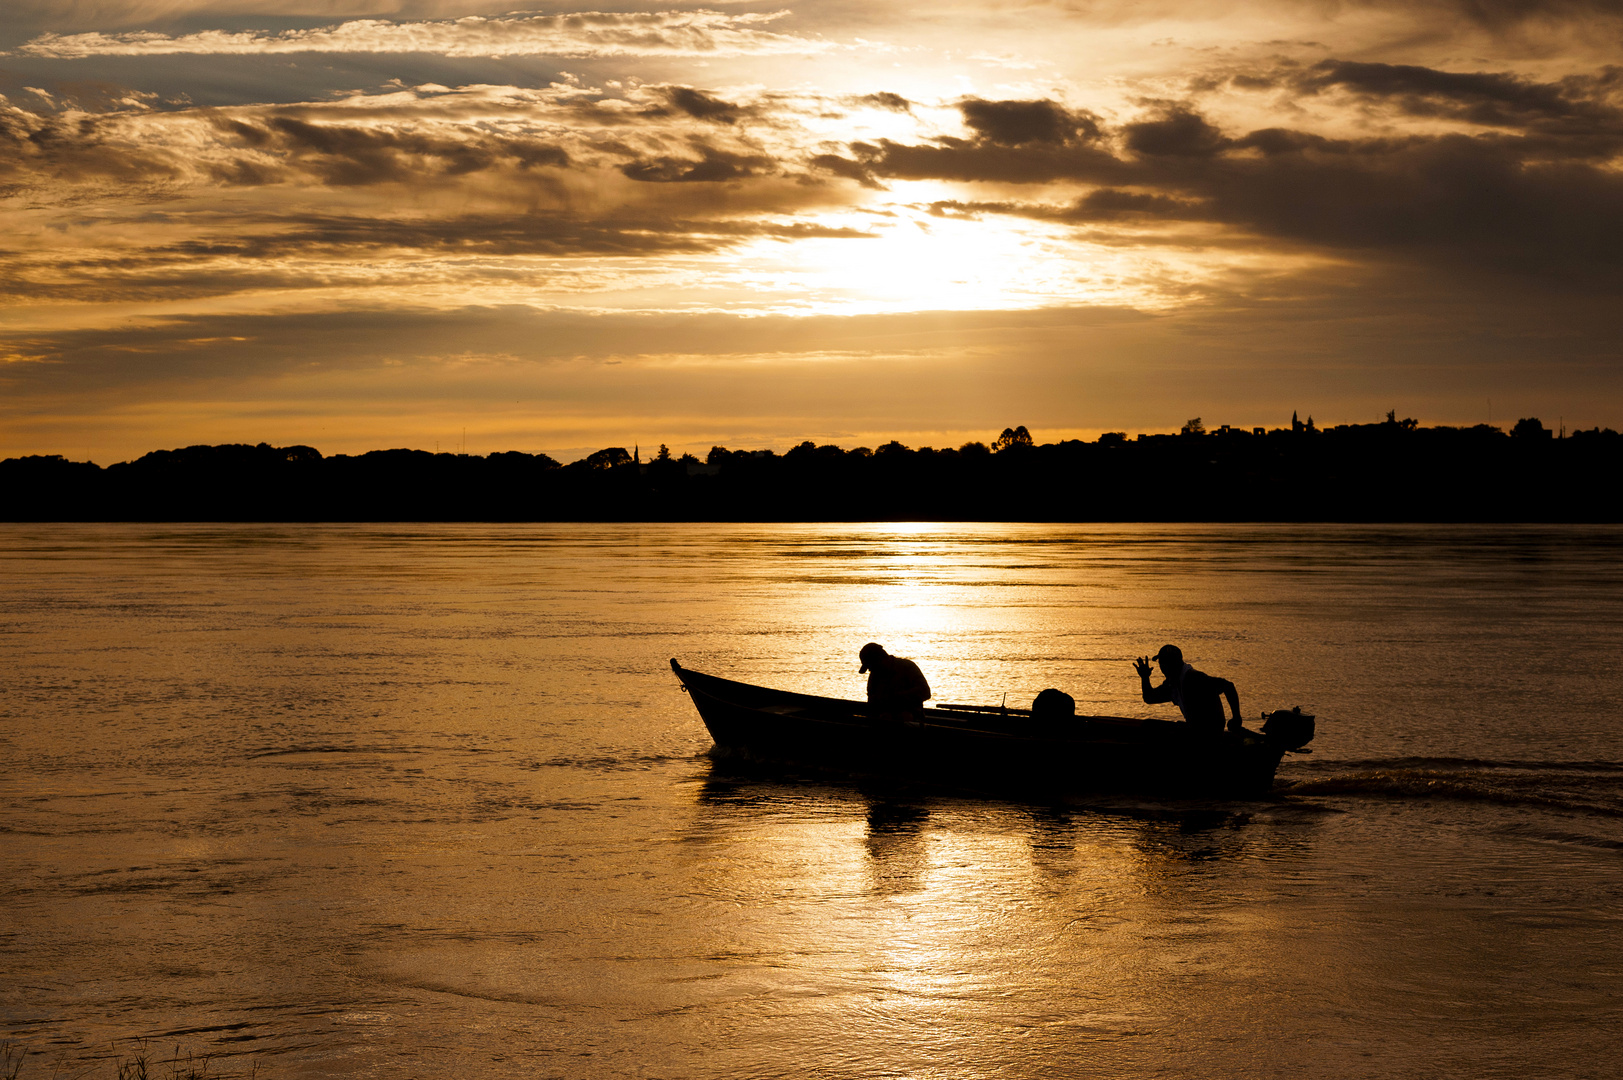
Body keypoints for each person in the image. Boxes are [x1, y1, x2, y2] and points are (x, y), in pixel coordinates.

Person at [1134, 644, 1242, 733]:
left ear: (1175, 663)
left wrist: (1236, 718)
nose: (1162, 667)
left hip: (1208, 733)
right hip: (1194, 730)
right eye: (1161, 663)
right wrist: (1145, 678)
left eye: (1165, 663)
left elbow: (1228, 686)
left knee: (1151, 726)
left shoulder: (1194, 678)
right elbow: (1150, 698)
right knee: (1149, 725)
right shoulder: (1173, 684)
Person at [859, 642, 931, 720]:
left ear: (879, 660)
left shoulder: (907, 667)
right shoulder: (874, 674)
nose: (870, 670)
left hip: (912, 718)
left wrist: (896, 698)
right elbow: (872, 701)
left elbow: (925, 692)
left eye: (871, 665)